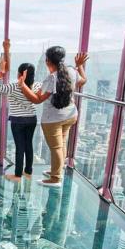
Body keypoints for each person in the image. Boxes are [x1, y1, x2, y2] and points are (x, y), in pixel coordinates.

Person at [19, 46, 88, 187]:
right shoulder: (71, 71)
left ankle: (55, 178)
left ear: (47, 61)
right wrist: (79, 66)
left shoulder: (51, 78)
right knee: (61, 144)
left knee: (56, 148)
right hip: (70, 115)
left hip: (53, 119)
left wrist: (22, 85)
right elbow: (82, 81)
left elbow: (36, 99)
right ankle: (57, 169)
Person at [0, 40, 41, 182]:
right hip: (32, 119)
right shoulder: (37, 86)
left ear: (20, 74)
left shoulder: (14, 86)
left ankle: (17, 175)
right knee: (29, 146)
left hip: (18, 121)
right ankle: (28, 172)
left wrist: (1, 72)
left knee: (19, 147)